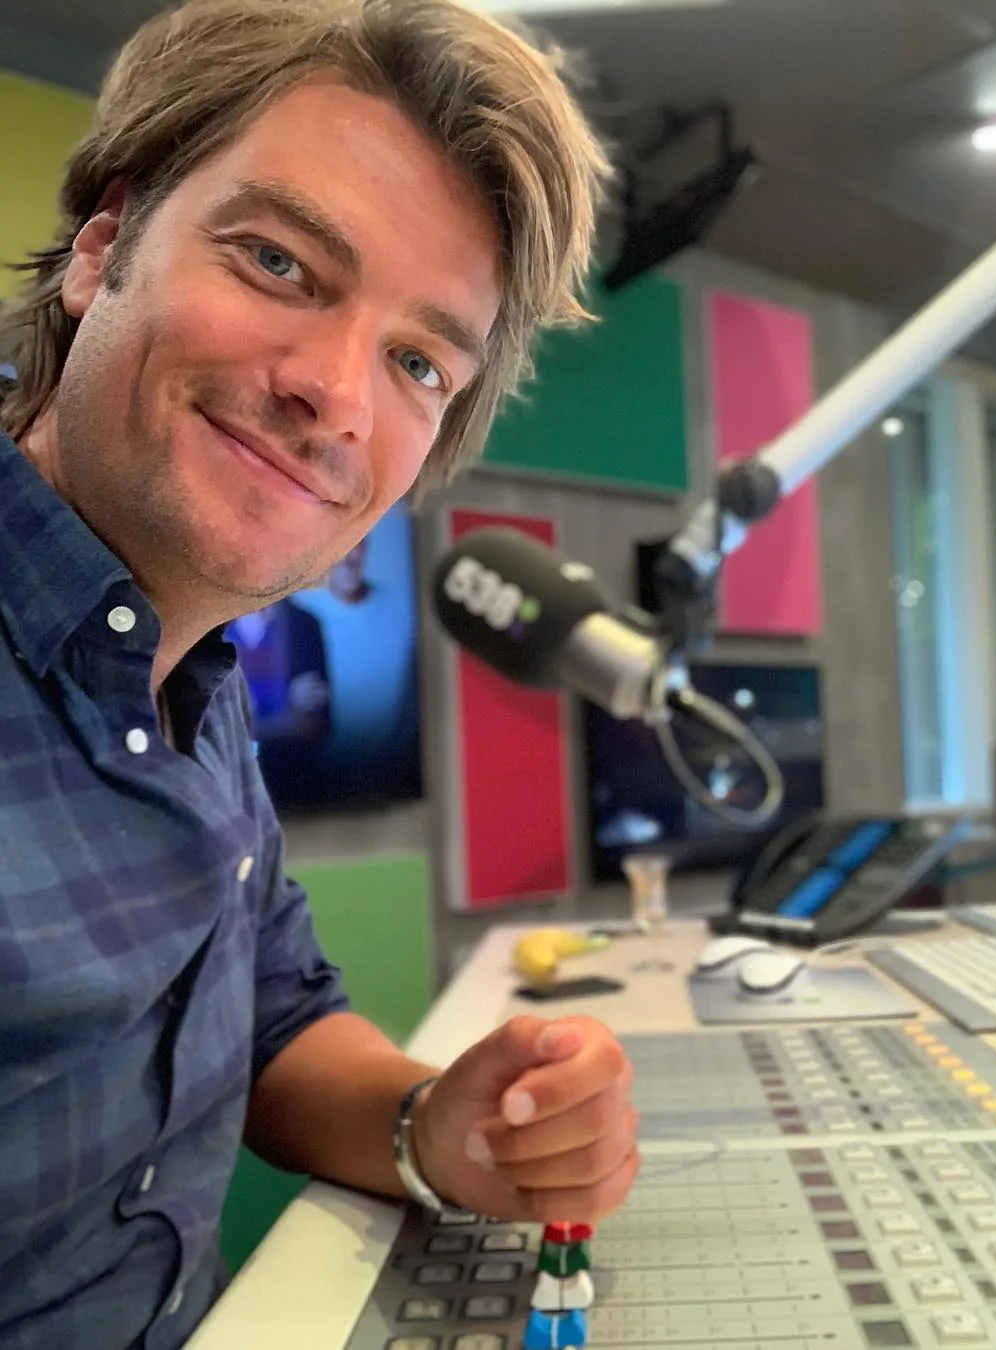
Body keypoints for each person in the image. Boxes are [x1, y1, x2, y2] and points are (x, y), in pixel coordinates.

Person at [0, 2, 638, 1347]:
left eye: (418, 361)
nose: (338, 395)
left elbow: (274, 1015)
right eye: (280, 262)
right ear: (105, 247)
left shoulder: (199, 679)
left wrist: (432, 1126)